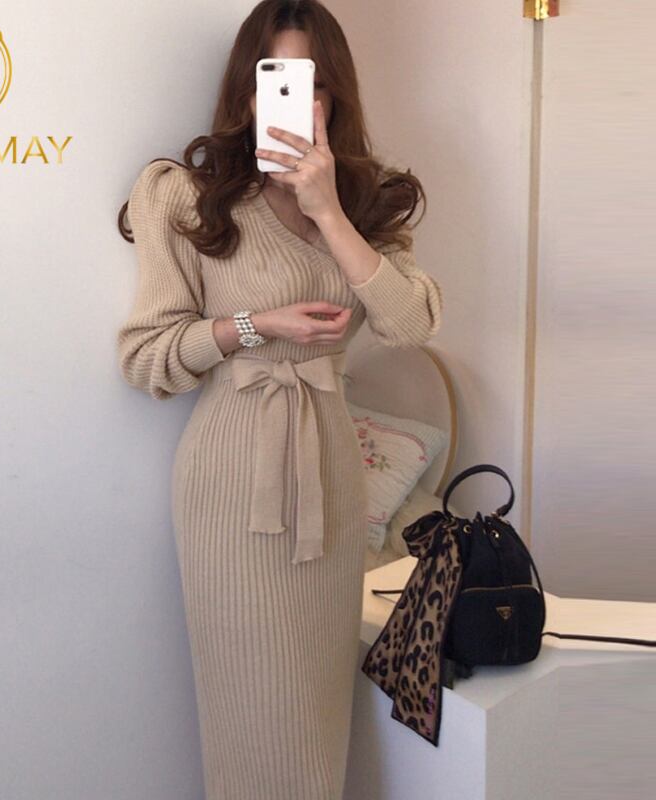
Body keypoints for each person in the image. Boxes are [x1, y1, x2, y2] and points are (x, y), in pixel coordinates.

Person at [116, 2, 443, 797]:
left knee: (315, 720)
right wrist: (253, 326)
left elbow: (410, 324)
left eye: (315, 83)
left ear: (337, 96)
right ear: (247, 88)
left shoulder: (364, 202)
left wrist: (328, 210)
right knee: (248, 710)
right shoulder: (185, 196)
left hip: (329, 471)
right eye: (279, 78)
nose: (299, 100)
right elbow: (147, 358)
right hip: (233, 478)